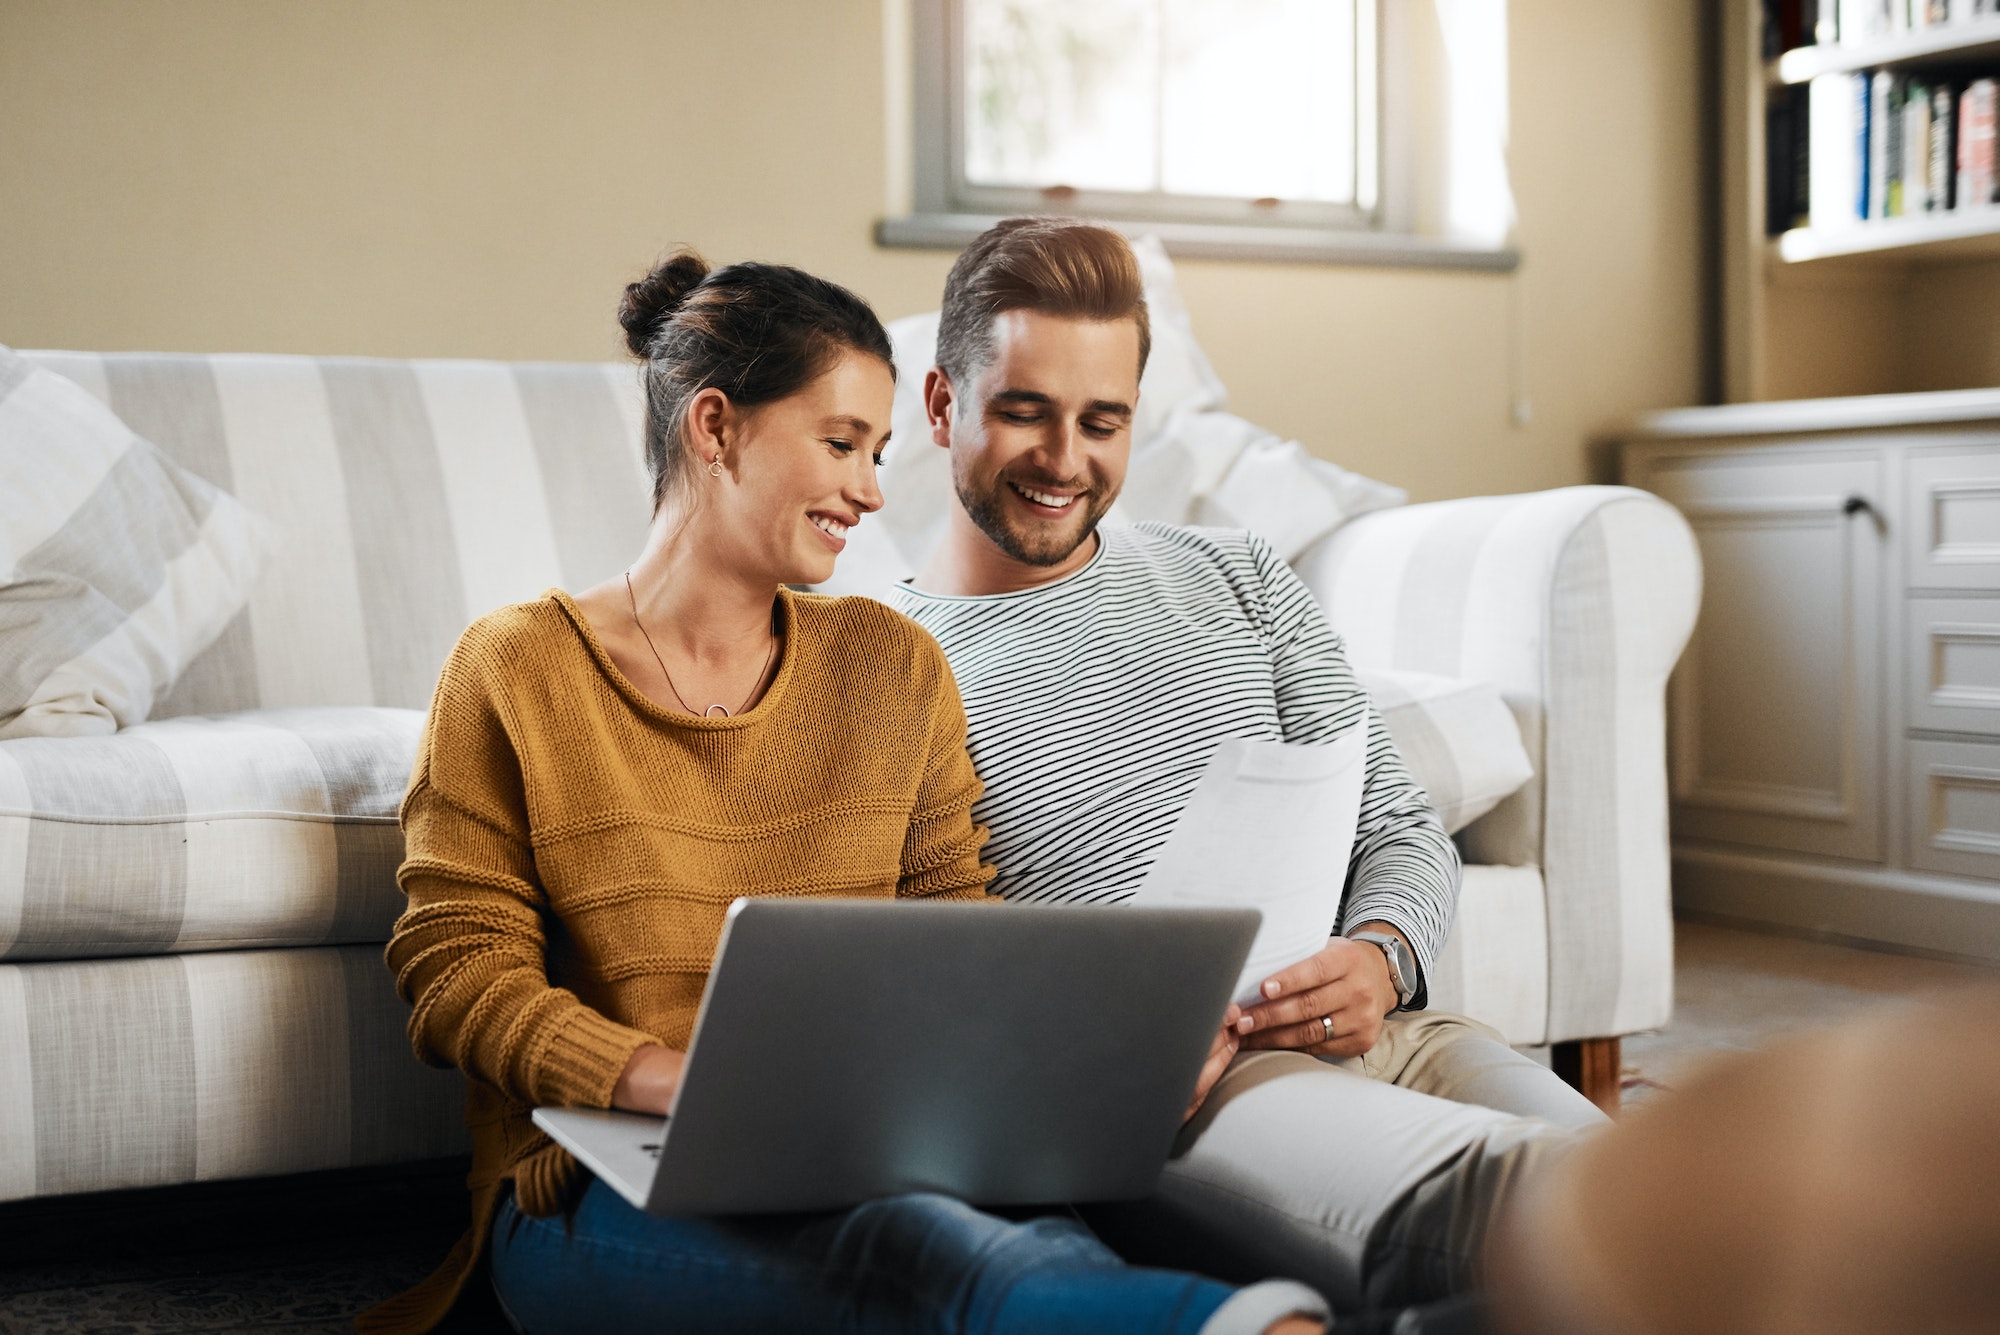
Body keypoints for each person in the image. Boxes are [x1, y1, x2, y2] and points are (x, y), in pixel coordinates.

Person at [358, 251, 1330, 1335]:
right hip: (595, 1183)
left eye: (876, 451)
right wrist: (670, 1082)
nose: (870, 491)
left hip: (872, 1145)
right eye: (838, 445)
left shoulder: (890, 664)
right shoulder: (514, 668)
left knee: (1031, 1233)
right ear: (715, 427)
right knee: (910, 1259)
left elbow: (959, 936)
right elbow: (456, 970)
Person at [887, 217, 1608, 1315]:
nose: (1064, 460)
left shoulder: (1235, 575)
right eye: (1024, 411)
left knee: (1660, 1188)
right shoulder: (883, 663)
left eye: (1102, 421)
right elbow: (914, 970)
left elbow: (1399, 825)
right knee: (1553, 1212)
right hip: (1192, 1095)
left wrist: (1378, 955)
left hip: (1392, 1030)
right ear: (943, 406)